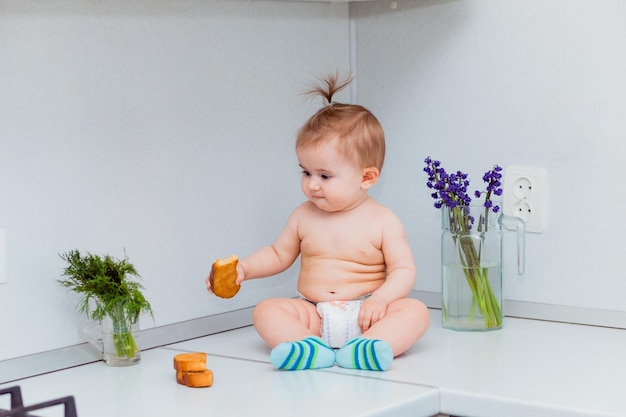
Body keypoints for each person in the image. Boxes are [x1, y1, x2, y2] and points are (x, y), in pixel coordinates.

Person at [206, 73, 429, 371]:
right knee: (266, 311)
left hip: (368, 314)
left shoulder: (383, 220)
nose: (312, 184)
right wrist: (244, 269)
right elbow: (277, 254)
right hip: (314, 314)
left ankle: (371, 346)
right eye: (305, 172)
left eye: (324, 176)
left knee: (415, 311)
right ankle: (307, 346)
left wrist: (380, 300)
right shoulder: (303, 215)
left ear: (366, 178)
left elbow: (403, 270)